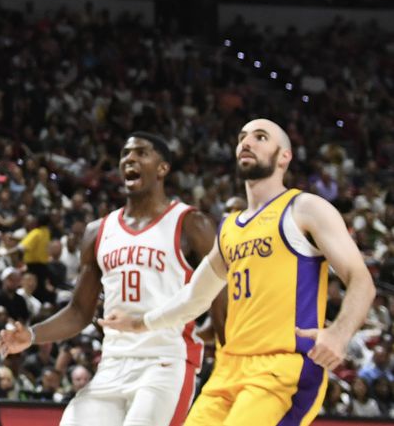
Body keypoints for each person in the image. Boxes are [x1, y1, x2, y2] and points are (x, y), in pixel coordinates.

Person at [102, 118, 378, 426]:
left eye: (260, 137)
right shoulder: (230, 227)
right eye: (242, 137)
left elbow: (361, 281)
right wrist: (139, 323)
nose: (247, 143)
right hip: (228, 369)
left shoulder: (305, 208)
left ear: (284, 156)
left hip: (281, 370)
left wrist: (339, 335)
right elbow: (195, 298)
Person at [0, 133, 223, 426]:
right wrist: (31, 335)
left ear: (162, 168)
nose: (130, 159)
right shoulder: (98, 231)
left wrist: (218, 341)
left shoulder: (192, 223)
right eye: (125, 155)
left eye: (141, 153)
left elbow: (224, 291)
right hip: (112, 364)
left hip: (165, 362)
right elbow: (80, 311)